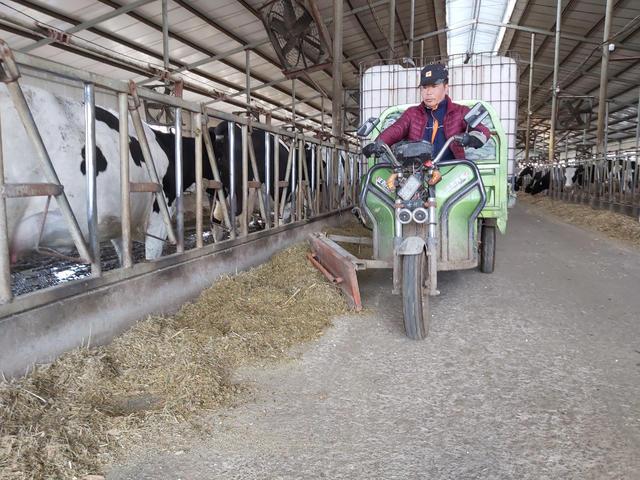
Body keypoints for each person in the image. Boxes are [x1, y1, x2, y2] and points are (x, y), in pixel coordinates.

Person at [362, 63, 491, 159]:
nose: (428, 92)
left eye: (434, 86)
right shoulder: (412, 113)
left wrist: (472, 139)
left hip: (452, 171)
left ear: (446, 88)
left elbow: (482, 131)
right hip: (418, 172)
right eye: (424, 87)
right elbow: (396, 130)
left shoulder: (460, 111)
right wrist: (378, 143)